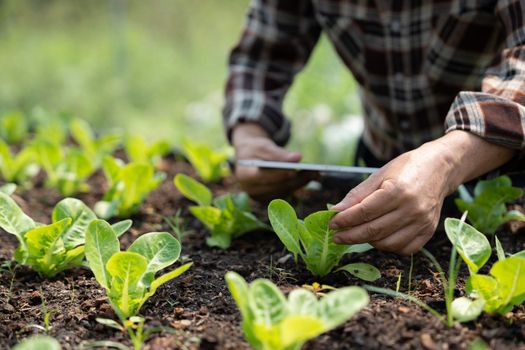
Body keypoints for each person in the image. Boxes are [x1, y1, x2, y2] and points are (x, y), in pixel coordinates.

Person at [222, 0, 525, 255]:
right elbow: (259, 59)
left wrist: (447, 159)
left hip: (501, 173)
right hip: (378, 167)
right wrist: (250, 137)